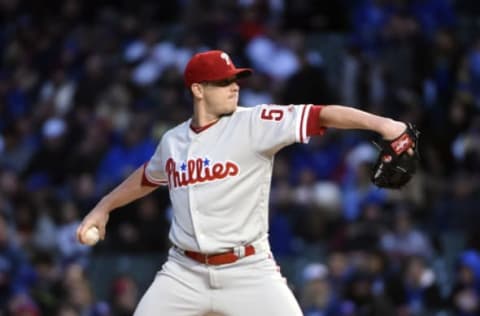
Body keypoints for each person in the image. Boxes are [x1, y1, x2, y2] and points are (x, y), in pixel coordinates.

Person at [76, 50, 414, 315]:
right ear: (198, 90)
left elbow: (321, 113)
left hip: (248, 269)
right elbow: (148, 176)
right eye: (222, 82)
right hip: (183, 271)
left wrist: (386, 125)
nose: (234, 86)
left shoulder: (255, 122)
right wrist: (103, 207)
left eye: (235, 79)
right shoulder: (173, 141)